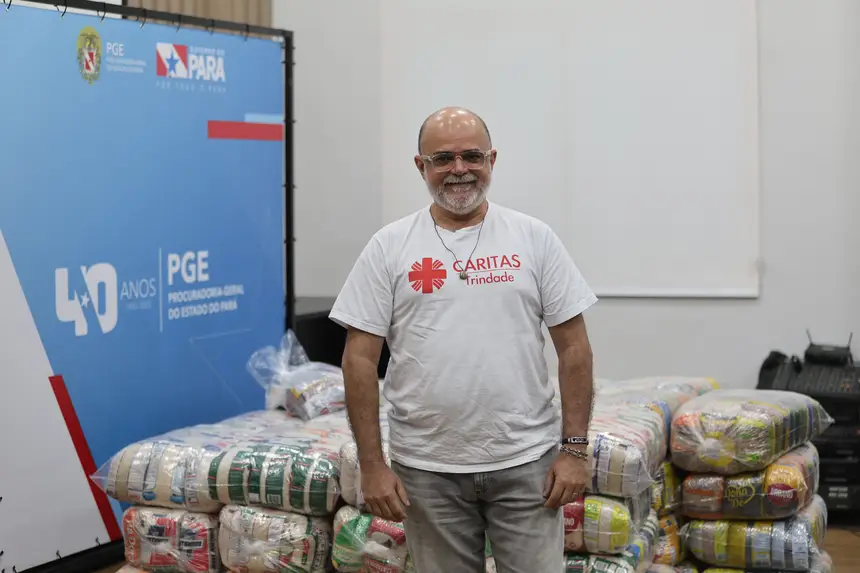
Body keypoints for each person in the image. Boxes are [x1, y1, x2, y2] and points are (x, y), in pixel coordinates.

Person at [329, 106, 598, 572]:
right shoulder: (389, 247)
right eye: (442, 159)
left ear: (492, 159)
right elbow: (358, 360)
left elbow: (574, 348)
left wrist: (574, 451)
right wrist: (372, 465)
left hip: (526, 465)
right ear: (421, 167)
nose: (459, 170)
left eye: (472, 156)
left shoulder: (534, 239)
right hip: (427, 473)